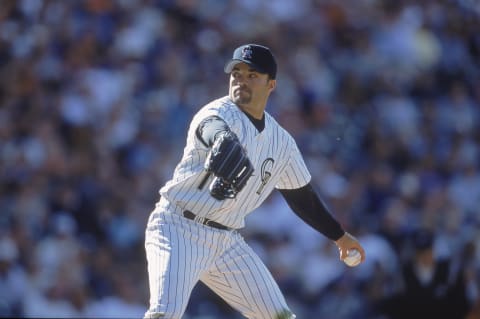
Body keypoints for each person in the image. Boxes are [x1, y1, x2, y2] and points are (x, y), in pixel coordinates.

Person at [144, 44, 366, 319]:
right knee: (164, 314)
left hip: (225, 241)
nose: (241, 80)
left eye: (252, 75)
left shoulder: (281, 142)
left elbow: (301, 197)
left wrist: (339, 236)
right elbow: (210, 128)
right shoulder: (218, 112)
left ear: (271, 84)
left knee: (279, 316)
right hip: (177, 227)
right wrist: (221, 139)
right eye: (236, 73)